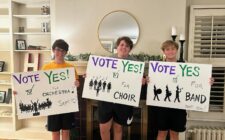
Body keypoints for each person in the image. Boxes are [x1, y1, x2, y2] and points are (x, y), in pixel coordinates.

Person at [150, 40, 214, 140]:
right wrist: (148, 80)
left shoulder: (185, 65)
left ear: (176, 50)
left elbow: (196, 80)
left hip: (178, 106)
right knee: (161, 133)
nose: (170, 51)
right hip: (162, 106)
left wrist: (207, 81)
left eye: (173, 49)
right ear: (164, 51)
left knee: (174, 133)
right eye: (167, 49)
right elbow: (152, 82)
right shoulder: (157, 67)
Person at [98, 36, 145, 140]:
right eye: (122, 45)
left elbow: (140, 82)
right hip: (107, 100)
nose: (124, 47)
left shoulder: (136, 64)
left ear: (130, 49)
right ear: (117, 46)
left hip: (123, 100)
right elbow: (98, 76)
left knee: (118, 128)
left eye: (127, 46)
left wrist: (142, 81)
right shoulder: (107, 61)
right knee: (103, 128)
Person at [42, 39, 80, 140]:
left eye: (63, 50)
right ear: (53, 50)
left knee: (66, 132)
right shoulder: (46, 68)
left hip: (67, 104)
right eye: (58, 49)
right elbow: (40, 86)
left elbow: (76, 84)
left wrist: (77, 83)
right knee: (55, 133)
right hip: (53, 105)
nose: (60, 52)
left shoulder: (71, 67)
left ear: (66, 53)